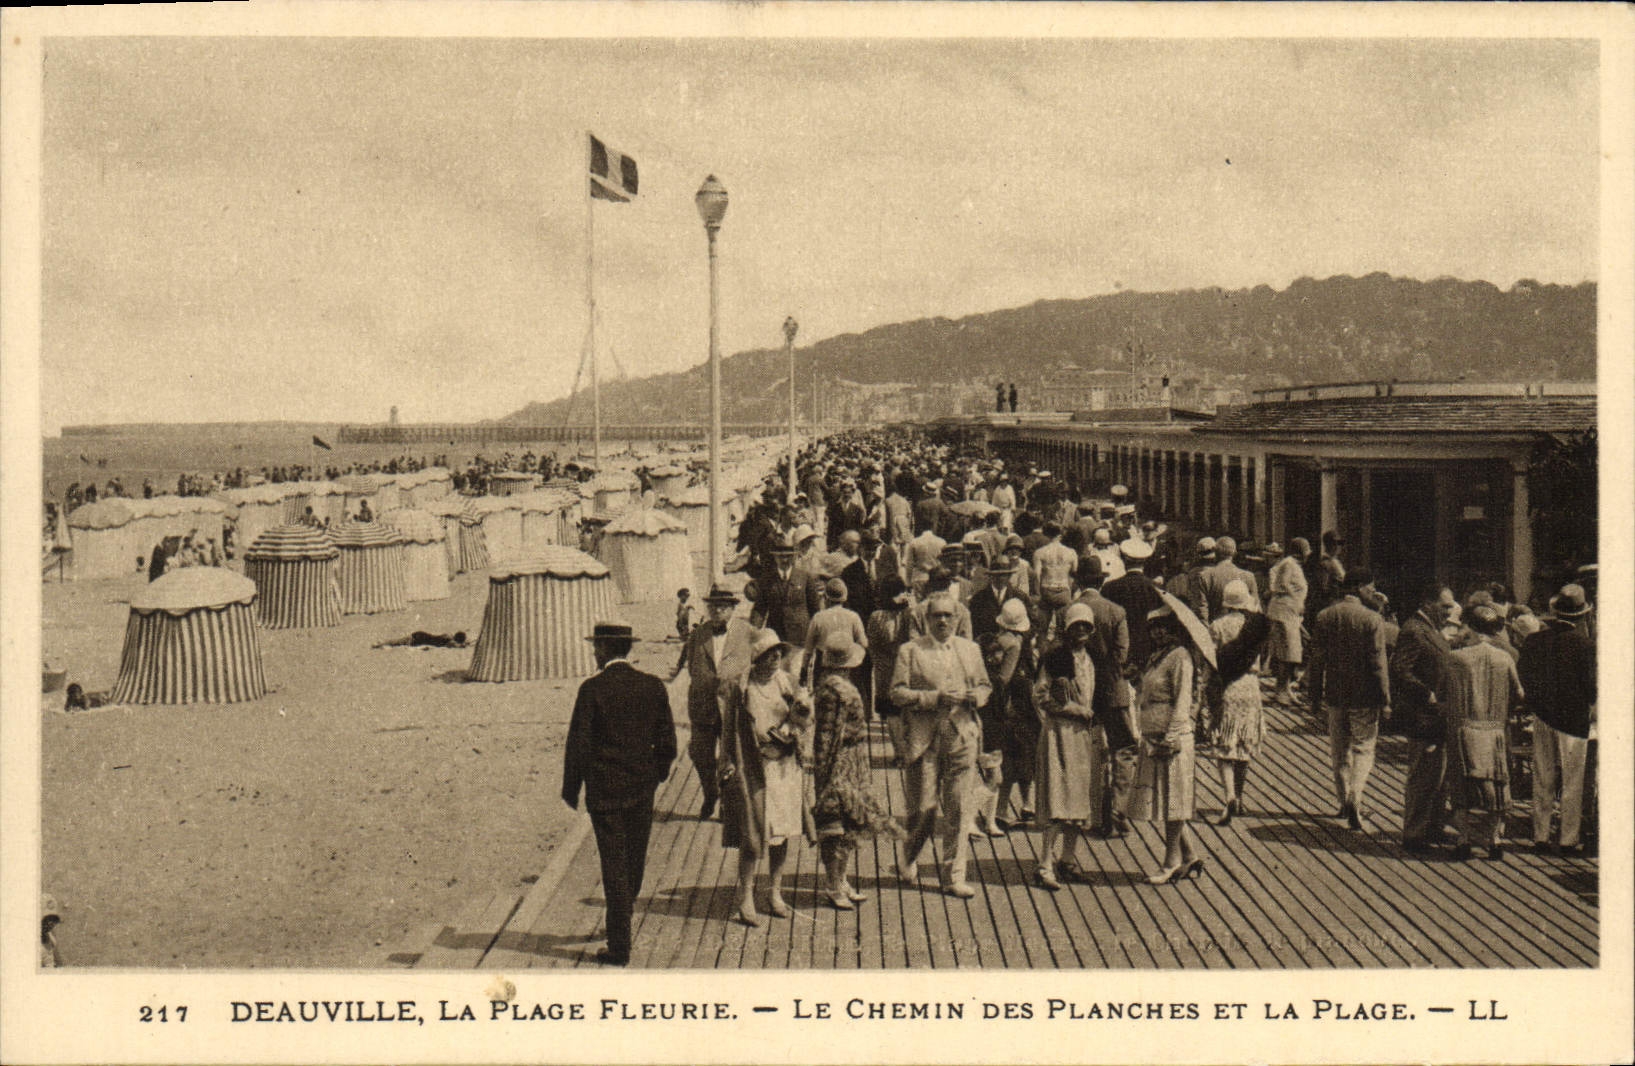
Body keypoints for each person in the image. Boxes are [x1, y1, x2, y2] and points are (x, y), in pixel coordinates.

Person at [560, 621, 678, 966]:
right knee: (635, 858)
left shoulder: (591, 689)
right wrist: (657, 773)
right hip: (641, 788)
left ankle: (619, 944)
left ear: (605, 650)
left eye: (596, 647)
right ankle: (621, 920)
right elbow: (668, 740)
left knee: (613, 863)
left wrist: (572, 789)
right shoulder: (653, 686)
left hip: (605, 791)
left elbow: (578, 744)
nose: (594, 653)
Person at [890, 592, 992, 899]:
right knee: (922, 809)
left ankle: (953, 875)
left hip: (962, 734)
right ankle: (909, 858)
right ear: (926, 619)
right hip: (924, 738)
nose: (943, 621)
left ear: (958, 618)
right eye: (937, 616)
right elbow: (895, 693)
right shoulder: (911, 650)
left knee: (960, 807)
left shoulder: (970, 649)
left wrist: (978, 697)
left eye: (949, 615)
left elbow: (985, 685)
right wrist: (932, 698)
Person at [719, 629, 815, 925]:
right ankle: (746, 897)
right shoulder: (741, 687)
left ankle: (775, 892)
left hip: (784, 767)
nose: (775, 659)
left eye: (778, 654)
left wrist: (791, 733)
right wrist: (727, 761)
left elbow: (805, 720)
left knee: (782, 832)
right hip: (753, 765)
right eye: (769, 655)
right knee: (753, 832)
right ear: (757, 658)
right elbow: (729, 727)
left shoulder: (787, 683)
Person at [1306, 567, 1391, 831]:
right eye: (1369, 587)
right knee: (1364, 747)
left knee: (1339, 750)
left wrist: (1314, 695)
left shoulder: (1325, 616)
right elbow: (1378, 662)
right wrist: (1385, 698)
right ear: (1359, 588)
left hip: (1335, 692)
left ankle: (1343, 802)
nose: (1372, 592)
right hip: (1364, 695)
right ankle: (1356, 793)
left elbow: (1316, 659)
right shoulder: (1371, 619)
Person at [1131, 597, 1209, 884]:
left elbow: (1182, 702)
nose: (1157, 633)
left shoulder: (1180, 657)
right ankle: (1189, 856)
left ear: (1174, 629)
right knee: (1166, 799)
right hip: (1153, 735)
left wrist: (1171, 736)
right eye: (1153, 629)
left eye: (1163, 628)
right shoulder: (1159, 656)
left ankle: (1171, 861)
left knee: (1173, 802)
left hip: (1170, 739)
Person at [811, 666, 901, 909]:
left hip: (853, 760)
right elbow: (826, 735)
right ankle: (832, 884)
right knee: (834, 826)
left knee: (851, 822)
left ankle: (841, 880)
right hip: (838, 763)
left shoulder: (841, 686)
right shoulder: (832, 691)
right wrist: (825, 772)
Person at [1519, 584, 1597, 854]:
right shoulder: (1585, 645)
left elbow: (1525, 677)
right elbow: (1591, 686)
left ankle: (1540, 835)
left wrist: (1537, 704)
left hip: (1543, 717)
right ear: (1582, 615)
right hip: (1574, 723)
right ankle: (1567, 838)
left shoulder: (1535, 641)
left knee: (1543, 777)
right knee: (1572, 781)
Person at [1030, 603, 1101, 889]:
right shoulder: (1054, 658)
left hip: (1084, 737)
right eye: (1076, 626)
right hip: (1060, 734)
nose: (1081, 630)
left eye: (1086, 625)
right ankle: (1045, 863)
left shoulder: (1094, 658)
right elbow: (1041, 695)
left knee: (1079, 799)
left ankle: (1068, 860)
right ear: (1067, 629)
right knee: (1058, 797)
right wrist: (1072, 709)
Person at [1444, 605, 1523, 861]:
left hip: (1465, 727)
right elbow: (1519, 693)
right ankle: (1494, 839)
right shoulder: (1505, 658)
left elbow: (1443, 691)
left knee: (1461, 786)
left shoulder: (1457, 658)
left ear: (1471, 627)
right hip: (1495, 729)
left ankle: (1464, 838)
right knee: (1499, 786)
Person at [1390, 583, 1457, 854]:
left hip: (1438, 714)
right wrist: (1426, 693)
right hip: (1423, 715)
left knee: (1438, 776)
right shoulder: (1414, 631)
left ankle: (1434, 827)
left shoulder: (1431, 630)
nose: (1450, 611)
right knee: (1422, 776)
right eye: (1445, 606)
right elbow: (1400, 669)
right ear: (1428, 603)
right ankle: (1414, 834)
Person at [669, 585, 742, 821]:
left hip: (732, 706)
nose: (717, 611)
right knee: (700, 754)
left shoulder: (745, 633)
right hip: (703, 705)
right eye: (713, 606)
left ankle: (727, 804)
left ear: (732, 609)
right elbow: (691, 666)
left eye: (723, 607)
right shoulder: (699, 635)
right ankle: (711, 793)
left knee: (731, 757)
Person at [1202, 581, 1269, 826]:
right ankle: (1239, 797)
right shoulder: (1255, 626)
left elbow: (1211, 661)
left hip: (1226, 687)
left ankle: (1228, 795)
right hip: (1250, 685)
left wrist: (1205, 689)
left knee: (1224, 744)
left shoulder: (1217, 626)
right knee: (1244, 743)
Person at [866, 575, 915, 757]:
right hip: (904, 670)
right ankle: (906, 750)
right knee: (903, 711)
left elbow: (872, 646)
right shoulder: (908, 615)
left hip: (885, 671)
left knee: (892, 713)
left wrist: (880, 664)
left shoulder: (876, 617)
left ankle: (899, 752)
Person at [802, 578, 868, 690]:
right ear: (844, 597)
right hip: (847, 666)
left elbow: (808, 650)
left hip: (824, 666)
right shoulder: (853, 617)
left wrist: (803, 671)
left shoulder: (818, 617)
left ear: (826, 597)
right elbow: (864, 643)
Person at [1266, 537, 1310, 704]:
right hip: (1283, 614)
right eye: (1307, 550)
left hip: (1291, 615)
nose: (1309, 553)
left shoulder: (1293, 565)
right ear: (1301, 551)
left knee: (1293, 653)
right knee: (1287, 653)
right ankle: (1281, 691)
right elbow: (1281, 585)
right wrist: (1296, 600)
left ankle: (1286, 689)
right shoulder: (1288, 564)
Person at [1032, 522, 1077, 611]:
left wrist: (1038, 594)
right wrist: (1070, 593)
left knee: (1044, 622)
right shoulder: (1071, 552)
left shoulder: (1040, 552)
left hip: (1047, 589)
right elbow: (1074, 574)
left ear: (1046, 535)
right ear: (1060, 535)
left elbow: (1037, 575)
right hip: (1064, 589)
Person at [373, 630, 468, 648]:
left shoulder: (447, 635)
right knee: (397, 643)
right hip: (419, 640)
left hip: (421, 635)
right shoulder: (450, 642)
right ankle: (381, 643)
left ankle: (382, 642)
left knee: (397, 641)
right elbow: (455, 646)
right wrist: (464, 645)